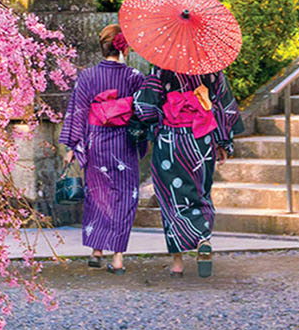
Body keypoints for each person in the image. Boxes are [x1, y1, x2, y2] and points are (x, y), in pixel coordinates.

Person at [133, 65, 242, 277]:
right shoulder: (211, 68)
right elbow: (222, 106)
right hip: (201, 138)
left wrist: (156, 122)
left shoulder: (162, 67)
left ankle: (177, 262)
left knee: (171, 196)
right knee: (201, 191)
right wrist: (223, 143)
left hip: (171, 139)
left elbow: (145, 107)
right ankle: (203, 239)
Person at [59, 23, 148, 272]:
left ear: (103, 47)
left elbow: (78, 112)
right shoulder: (135, 77)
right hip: (123, 143)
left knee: (97, 194)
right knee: (124, 197)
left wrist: (72, 147)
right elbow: (142, 113)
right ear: (125, 48)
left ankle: (96, 251)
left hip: (96, 141)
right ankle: (117, 257)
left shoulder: (88, 77)